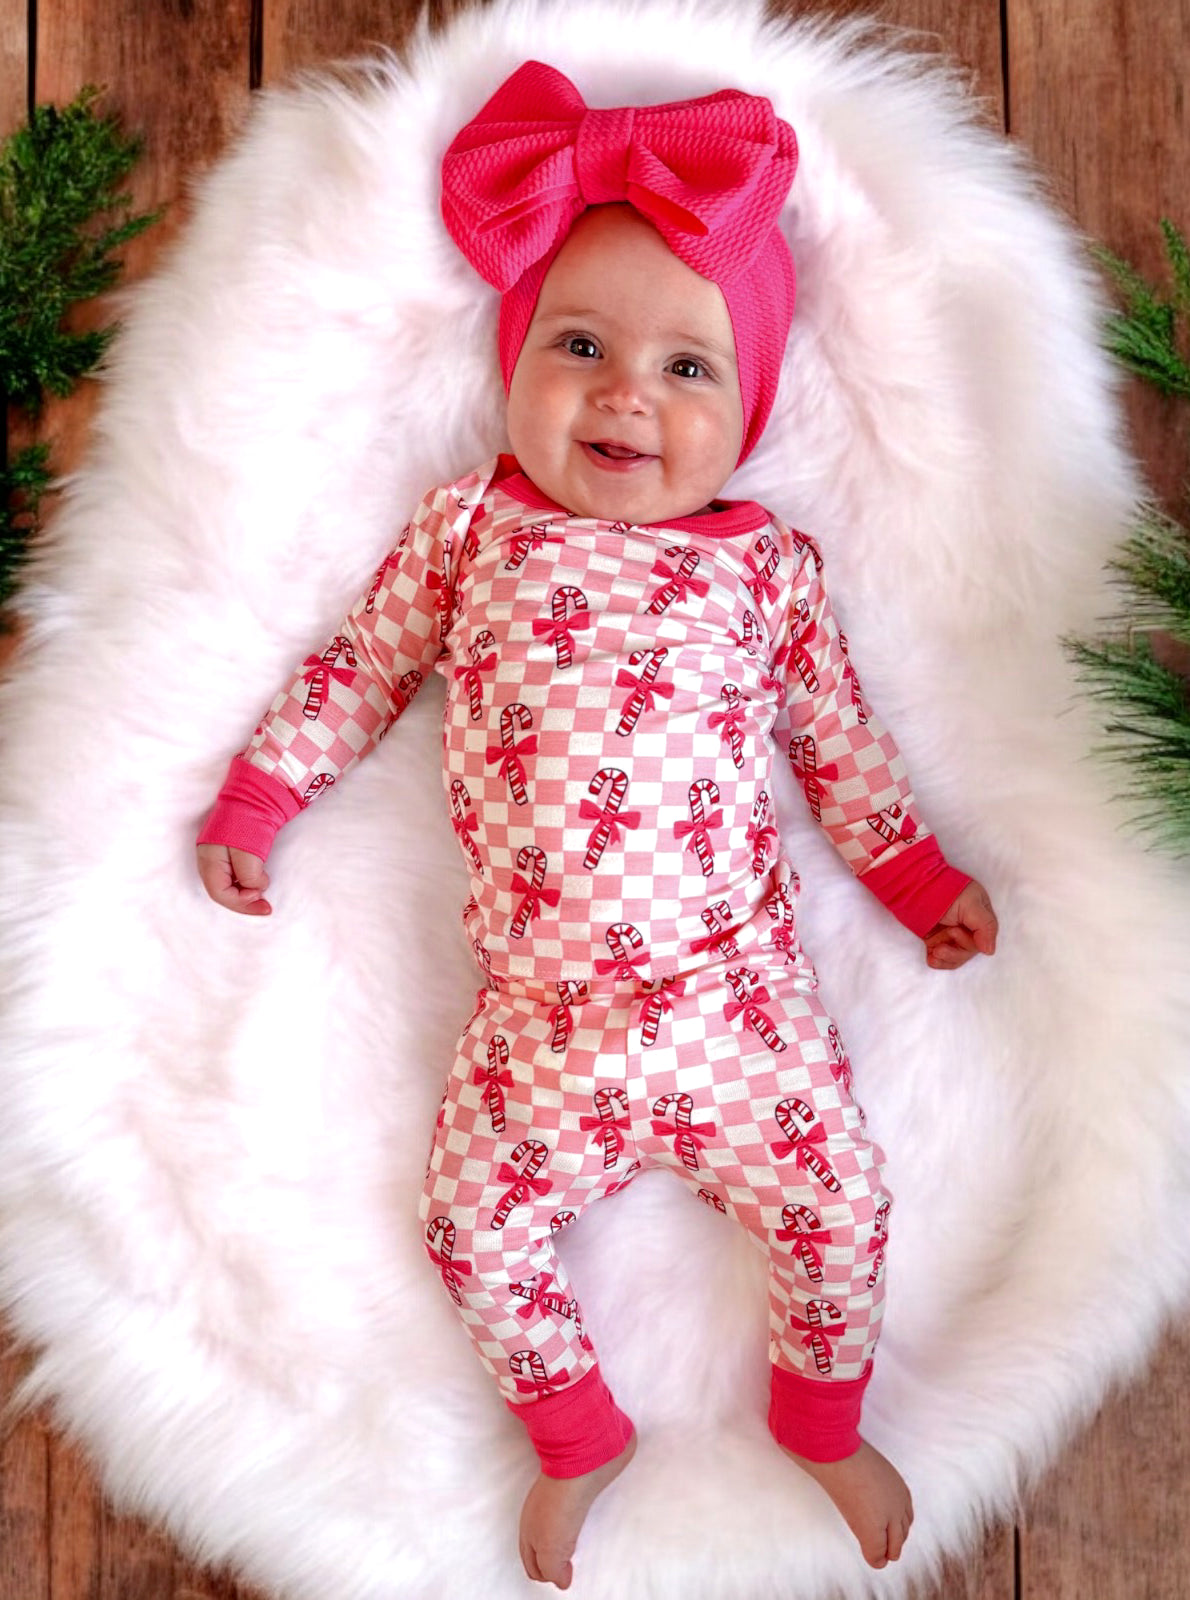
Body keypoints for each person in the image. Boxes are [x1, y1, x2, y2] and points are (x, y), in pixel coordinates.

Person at [196, 60, 999, 1591]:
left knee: (837, 1200)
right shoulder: (471, 531)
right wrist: (264, 788)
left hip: (737, 1010)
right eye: (579, 347)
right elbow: (359, 666)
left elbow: (837, 745)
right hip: (539, 1023)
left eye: (687, 369)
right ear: (515, 372)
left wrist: (911, 874)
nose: (626, 391)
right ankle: (577, 1434)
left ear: (749, 411)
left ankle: (820, 1415)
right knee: (467, 1229)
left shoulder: (764, 572)